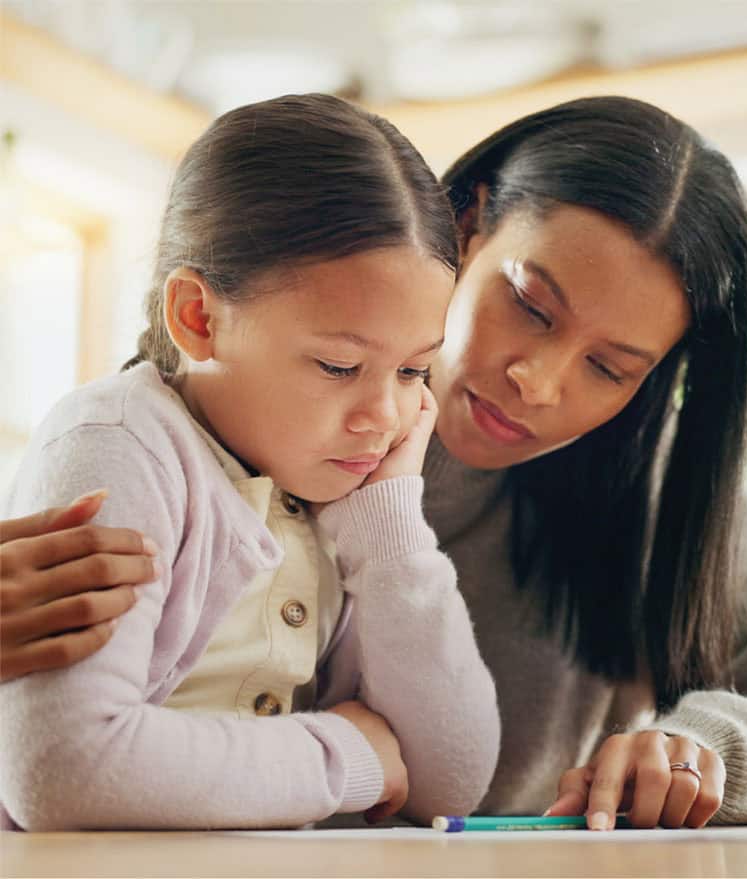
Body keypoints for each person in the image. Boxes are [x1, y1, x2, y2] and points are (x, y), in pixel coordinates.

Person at [3, 95, 747, 830]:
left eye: (611, 368)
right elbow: (62, 760)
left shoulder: (644, 499)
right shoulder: (222, 425)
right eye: (528, 305)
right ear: (466, 227)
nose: (539, 381)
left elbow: (443, 775)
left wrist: (708, 750)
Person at [0, 94, 501, 831]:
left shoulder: (341, 491)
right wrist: (347, 753)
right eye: (337, 365)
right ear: (199, 318)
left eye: (412, 372)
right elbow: (64, 770)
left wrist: (389, 526)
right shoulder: (119, 441)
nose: (384, 417)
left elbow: (449, 781)